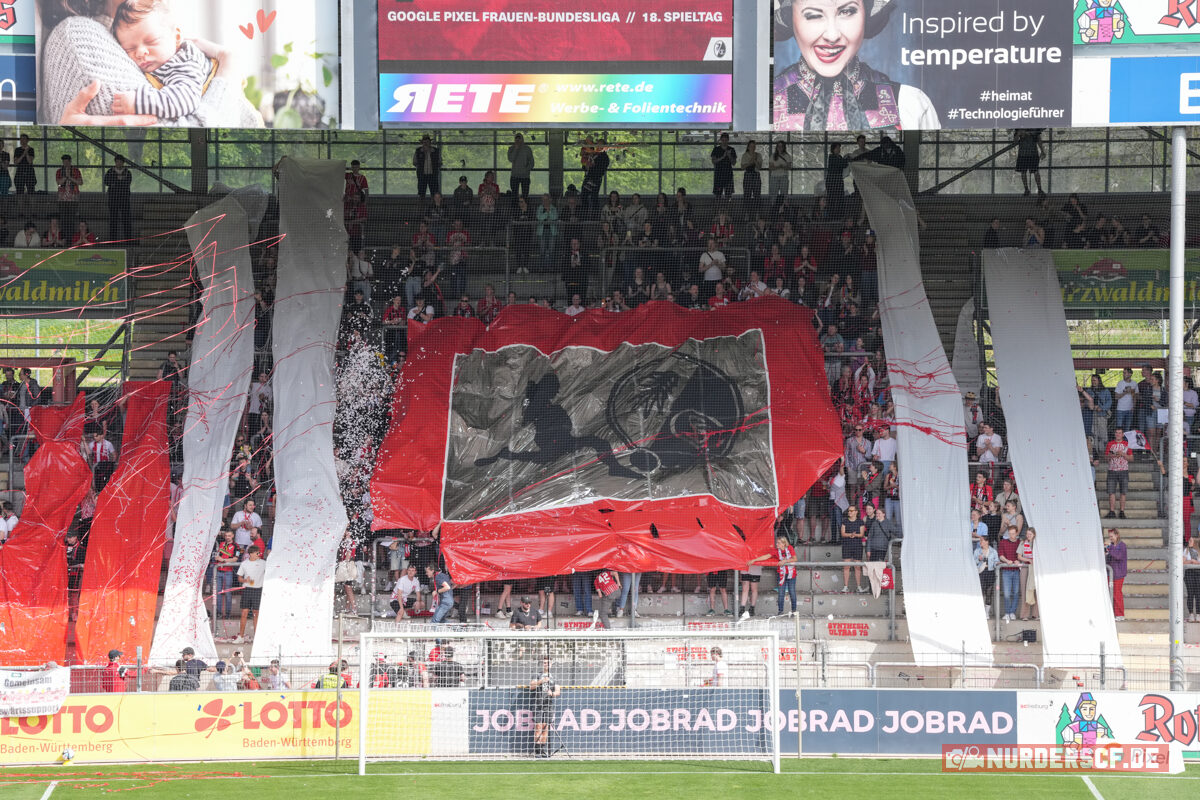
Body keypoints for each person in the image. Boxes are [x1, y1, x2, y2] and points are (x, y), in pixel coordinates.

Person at [773, 0, 939, 131]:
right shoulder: (766, 104)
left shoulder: (908, 104)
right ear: (790, 17)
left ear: (866, 13)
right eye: (813, 15)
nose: (832, 35)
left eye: (847, 11)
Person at [233, 544, 265, 644]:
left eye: (259, 552)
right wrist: (244, 580)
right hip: (247, 590)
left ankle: (257, 637)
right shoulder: (244, 564)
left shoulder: (264, 563)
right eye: (257, 553)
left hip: (258, 590)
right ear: (251, 554)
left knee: (256, 614)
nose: (259, 554)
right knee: (244, 613)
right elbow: (239, 578)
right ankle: (241, 636)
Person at [530, 657, 561, 758]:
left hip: (548, 704)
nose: (546, 664)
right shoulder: (537, 675)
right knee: (538, 726)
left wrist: (551, 693)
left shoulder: (554, 677)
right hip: (538, 703)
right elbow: (531, 686)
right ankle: (537, 750)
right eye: (544, 663)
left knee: (545, 726)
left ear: (551, 664)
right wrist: (541, 681)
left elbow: (558, 691)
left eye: (548, 663)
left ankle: (542, 749)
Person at [107, 155, 136, 242]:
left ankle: (128, 240)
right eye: (117, 161)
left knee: (126, 219)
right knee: (113, 220)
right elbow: (106, 181)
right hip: (113, 200)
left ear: (123, 163)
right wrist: (118, 181)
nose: (119, 163)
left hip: (124, 199)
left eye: (120, 162)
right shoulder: (110, 171)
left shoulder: (127, 172)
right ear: (115, 162)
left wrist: (116, 182)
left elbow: (128, 182)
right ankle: (113, 240)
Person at [997, 525, 1022, 623]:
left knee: (1016, 592)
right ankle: (1007, 612)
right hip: (1006, 570)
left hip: (1016, 570)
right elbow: (1001, 555)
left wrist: (1017, 561)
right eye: (1009, 533)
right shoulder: (1003, 542)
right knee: (1007, 593)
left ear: (1016, 533)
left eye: (1013, 533)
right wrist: (1007, 561)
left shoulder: (1020, 543)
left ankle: (1012, 612)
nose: (1011, 535)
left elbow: (1021, 555)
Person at [1105, 426, 1130, 519]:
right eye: (1116, 432)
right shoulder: (1110, 444)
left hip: (1124, 470)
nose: (1117, 434)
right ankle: (1112, 511)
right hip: (1112, 470)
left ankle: (1122, 511)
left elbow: (1131, 458)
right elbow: (1106, 457)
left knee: (1123, 492)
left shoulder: (1127, 444)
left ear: (1123, 434)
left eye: (1119, 433)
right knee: (1111, 492)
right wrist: (1113, 455)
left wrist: (1123, 454)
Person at [840, 504, 866, 593]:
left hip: (857, 546)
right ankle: (845, 586)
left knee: (857, 567)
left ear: (856, 512)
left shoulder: (860, 522)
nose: (849, 512)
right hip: (846, 545)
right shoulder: (845, 521)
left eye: (851, 511)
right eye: (849, 511)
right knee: (846, 566)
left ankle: (858, 586)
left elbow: (861, 534)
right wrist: (850, 535)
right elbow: (843, 533)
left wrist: (854, 535)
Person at [1013, 129, 1045, 197]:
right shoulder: (1019, 129)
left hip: (1032, 154)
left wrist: (1042, 150)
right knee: (1023, 172)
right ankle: (1026, 189)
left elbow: (1039, 140)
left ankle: (1039, 189)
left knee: (1035, 172)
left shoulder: (1034, 129)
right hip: (1023, 154)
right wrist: (1019, 134)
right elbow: (1015, 141)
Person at [1105, 528, 1127, 622]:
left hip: (1118, 574)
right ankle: (1113, 613)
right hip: (1111, 573)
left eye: (1112, 536)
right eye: (1109, 537)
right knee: (1111, 594)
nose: (1110, 538)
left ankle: (1120, 614)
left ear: (1117, 535)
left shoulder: (1122, 546)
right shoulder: (1112, 547)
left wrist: (1109, 548)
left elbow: (1118, 556)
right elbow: (1110, 558)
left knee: (1117, 594)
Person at [1018, 527, 1038, 620]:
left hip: (1036, 568)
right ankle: (1025, 615)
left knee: (1035, 590)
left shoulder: (1037, 544)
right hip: (1026, 567)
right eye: (1027, 534)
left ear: (1034, 535)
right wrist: (1029, 560)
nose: (1028, 536)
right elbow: (1019, 556)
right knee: (1025, 590)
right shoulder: (1023, 543)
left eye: (1030, 534)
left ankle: (1035, 614)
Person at [507, 133, 534, 200]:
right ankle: (515, 210)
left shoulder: (527, 149)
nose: (518, 140)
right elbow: (511, 159)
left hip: (525, 176)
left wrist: (526, 169)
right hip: (514, 175)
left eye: (519, 139)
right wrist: (516, 149)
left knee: (525, 196)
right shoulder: (511, 148)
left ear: (522, 139)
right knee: (514, 196)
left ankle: (525, 210)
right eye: (517, 139)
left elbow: (532, 162)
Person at [710, 133, 736, 199]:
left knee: (728, 195)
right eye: (723, 140)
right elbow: (713, 161)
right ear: (721, 140)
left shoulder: (731, 149)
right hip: (719, 176)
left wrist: (729, 156)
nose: (724, 142)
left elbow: (734, 163)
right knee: (718, 195)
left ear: (728, 140)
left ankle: (728, 208)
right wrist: (723, 157)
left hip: (728, 176)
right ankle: (718, 209)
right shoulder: (716, 149)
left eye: (726, 140)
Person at [975, 536, 998, 607]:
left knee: (989, 593)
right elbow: (973, 562)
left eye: (982, 540)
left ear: (987, 542)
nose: (980, 542)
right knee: (981, 592)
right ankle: (980, 610)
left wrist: (996, 563)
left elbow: (996, 561)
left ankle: (987, 612)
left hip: (990, 572)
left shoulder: (993, 551)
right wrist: (978, 559)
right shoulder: (977, 551)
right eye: (980, 541)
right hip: (980, 573)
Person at [1186, 536, 1200, 623]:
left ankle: (1198, 614)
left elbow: (1196, 560)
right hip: (1189, 573)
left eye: (1191, 541)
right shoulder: (1186, 551)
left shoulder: (1198, 551)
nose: (1189, 542)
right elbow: (1182, 561)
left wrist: (1196, 562)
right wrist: (1190, 562)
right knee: (1190, 593)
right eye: (1189, 541)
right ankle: (1191, 614)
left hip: (1198, 573)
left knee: (1198, 594)